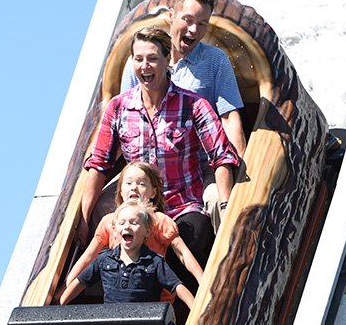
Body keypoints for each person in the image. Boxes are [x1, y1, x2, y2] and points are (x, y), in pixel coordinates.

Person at [80, 27, 239, 292]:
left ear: (168, 61)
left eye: (152, 58)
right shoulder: (119, 107)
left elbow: (221, 155)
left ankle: (189, 308)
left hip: (182, 204)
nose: (145, 66)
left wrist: (225, 204)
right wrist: (83, 221)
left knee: (192, 236)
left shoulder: (194, 104)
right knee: (120, 244)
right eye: (139, 59)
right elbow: (99, 163)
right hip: (135, 212)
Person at [122, 0, 247, 230]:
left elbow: (230, 117)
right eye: (188, 20)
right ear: (171, 17)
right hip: (149, 170)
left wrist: (239, 168)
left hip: (201, 166)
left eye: (202, 24)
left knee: (217, 200)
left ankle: (226, 261)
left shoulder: (214, 61)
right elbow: (123, 119)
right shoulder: (139, 62)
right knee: (112, 209)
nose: (194, 30)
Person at [60, 161, 204, 306]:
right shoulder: (110, 222)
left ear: (153, 192)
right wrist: (66, 286)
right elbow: (88, 257)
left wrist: (203, 280)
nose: (134, 187)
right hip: (120, 300)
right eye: (128, 183)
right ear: (121, 191)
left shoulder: (160, 221)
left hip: (156, 303)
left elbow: (183, 253)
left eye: (141, 184)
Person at [60, 200, 195, 309]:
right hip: (112, 323)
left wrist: (194, 307)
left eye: (134, 222)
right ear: (115, 230)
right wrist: (61, 304)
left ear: (147, 232)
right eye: (122, 223)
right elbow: (81, 281)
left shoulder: (154, 262)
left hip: (144, 324)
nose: (127, 226)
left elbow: (176, 286)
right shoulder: (104, 260)